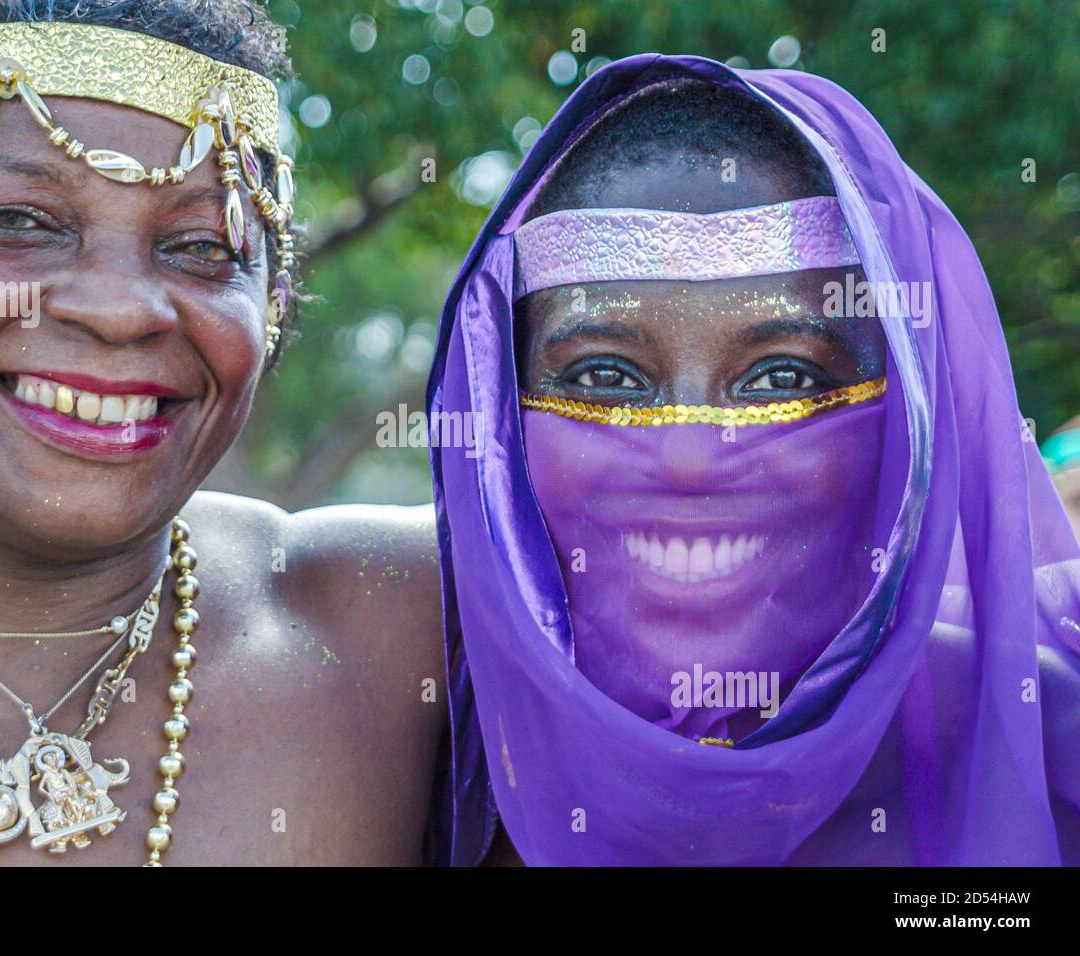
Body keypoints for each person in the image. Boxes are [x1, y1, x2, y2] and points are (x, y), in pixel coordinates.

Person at [0, 0, 445, 867]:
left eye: (206, 246)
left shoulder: (412, 624)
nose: (124, 308)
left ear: (271, 306)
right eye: (14, 221)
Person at [428, 54, 1080, 865]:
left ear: (901, 423)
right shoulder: (405, 746)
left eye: (783, 375)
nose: (693, 455)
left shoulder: (1045, 744)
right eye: (605, 376)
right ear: (498, 413)